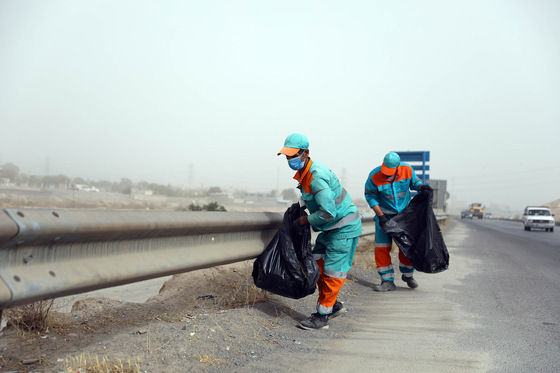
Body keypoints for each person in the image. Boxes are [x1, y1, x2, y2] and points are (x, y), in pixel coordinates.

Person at [277, 133, 362, 330]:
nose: (290, 160)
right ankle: (333, 306)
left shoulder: (317, 176)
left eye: (293, 155)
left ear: (305, 153)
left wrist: (304, 220)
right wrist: (300, 206)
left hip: (342, 229)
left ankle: (322, 317)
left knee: (332, 272)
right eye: (287, 156)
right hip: (331, 229)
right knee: (317, 266)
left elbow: (328, 212)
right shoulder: (306, 174)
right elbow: (314, 199)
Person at [364, 151, 432, 291]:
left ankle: (407, 275)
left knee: (407, 246)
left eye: (390, 172)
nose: (387, 175)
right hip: (384, 217)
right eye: (385, 171)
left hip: (404, 217)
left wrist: (421, 187)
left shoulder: (407, 170)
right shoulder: (374, 176)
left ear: (398, 167)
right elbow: (370, 196)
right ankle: (387, 281)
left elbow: (415, 183)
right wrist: (381, 217)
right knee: (382, 248)